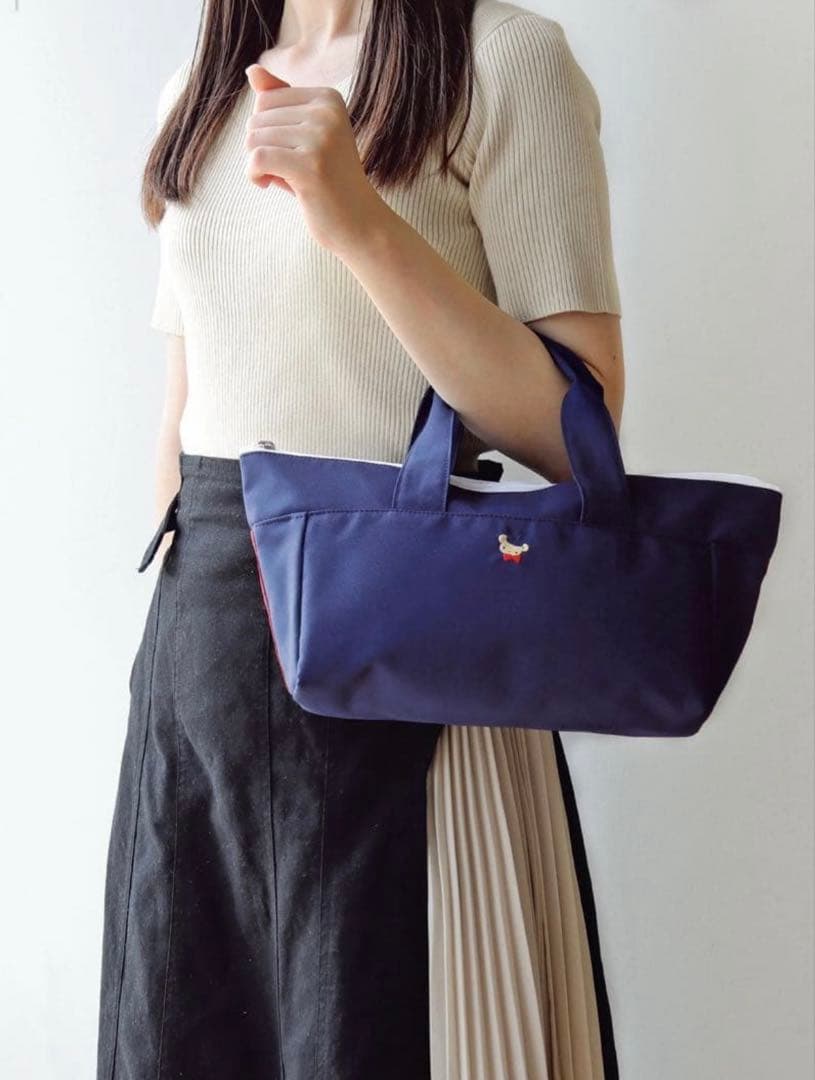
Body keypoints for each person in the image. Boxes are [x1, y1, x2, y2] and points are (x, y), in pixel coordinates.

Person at [96, 1, 625, 1077]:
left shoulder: (501, 60)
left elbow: (578, 433)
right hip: (204, 658)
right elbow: (189, 404)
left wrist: (360, 224)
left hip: (405, 646)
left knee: (386, 1026)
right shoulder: (202, 89)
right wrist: (167, 672)